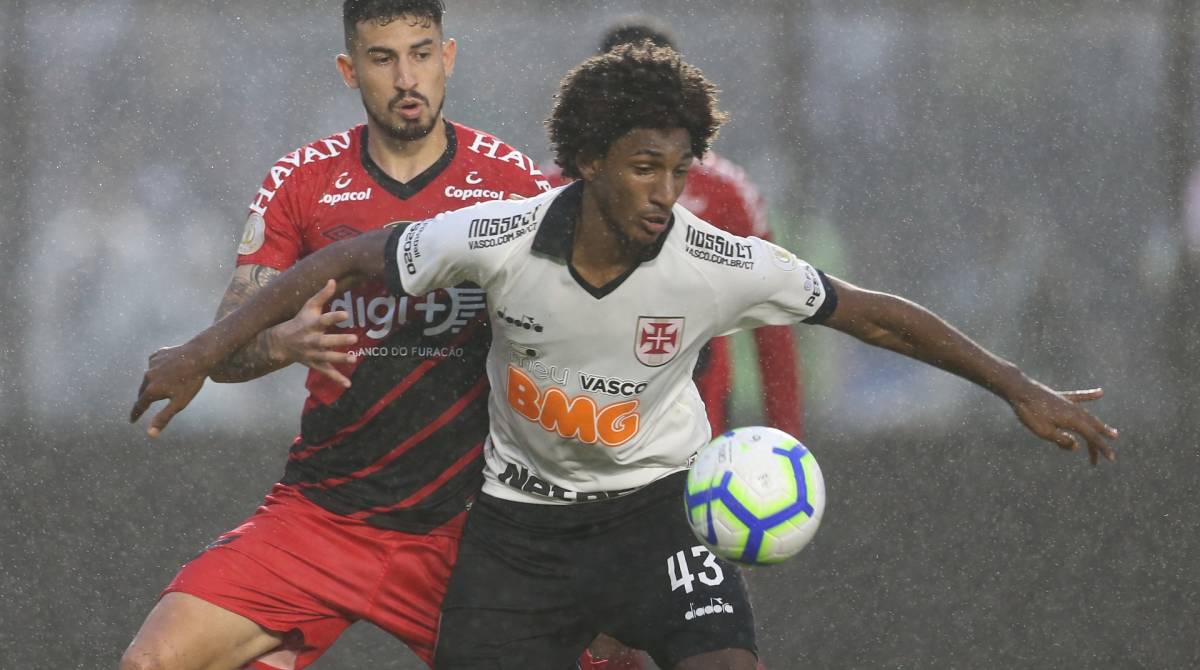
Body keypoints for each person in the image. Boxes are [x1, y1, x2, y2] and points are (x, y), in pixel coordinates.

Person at [132, 43, 1119, 669]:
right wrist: (200, 349)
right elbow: (347, 255)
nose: (667, 191)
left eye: (681, 170)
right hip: (518, 534)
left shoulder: (709, 259)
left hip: (658, 515)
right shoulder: (503, 234)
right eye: (647, 167)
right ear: (591, 159)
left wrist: (1017, 387)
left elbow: (868, 314)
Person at [119, 2, 552, 669]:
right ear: (351, 70)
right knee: (153, 662)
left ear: (449, 57)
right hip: (323, 516)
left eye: (422, 52)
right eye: (383, 58)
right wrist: (284, 344)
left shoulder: (512, 183)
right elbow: (226, 351)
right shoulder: (304, 180)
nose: (407, 77)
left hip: (466, 526)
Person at [557, 19, 805, 441]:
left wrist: (786, 439)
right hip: (579, 429)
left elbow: (772, 319)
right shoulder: (554, 187)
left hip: (697, 430)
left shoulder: (727, 192)